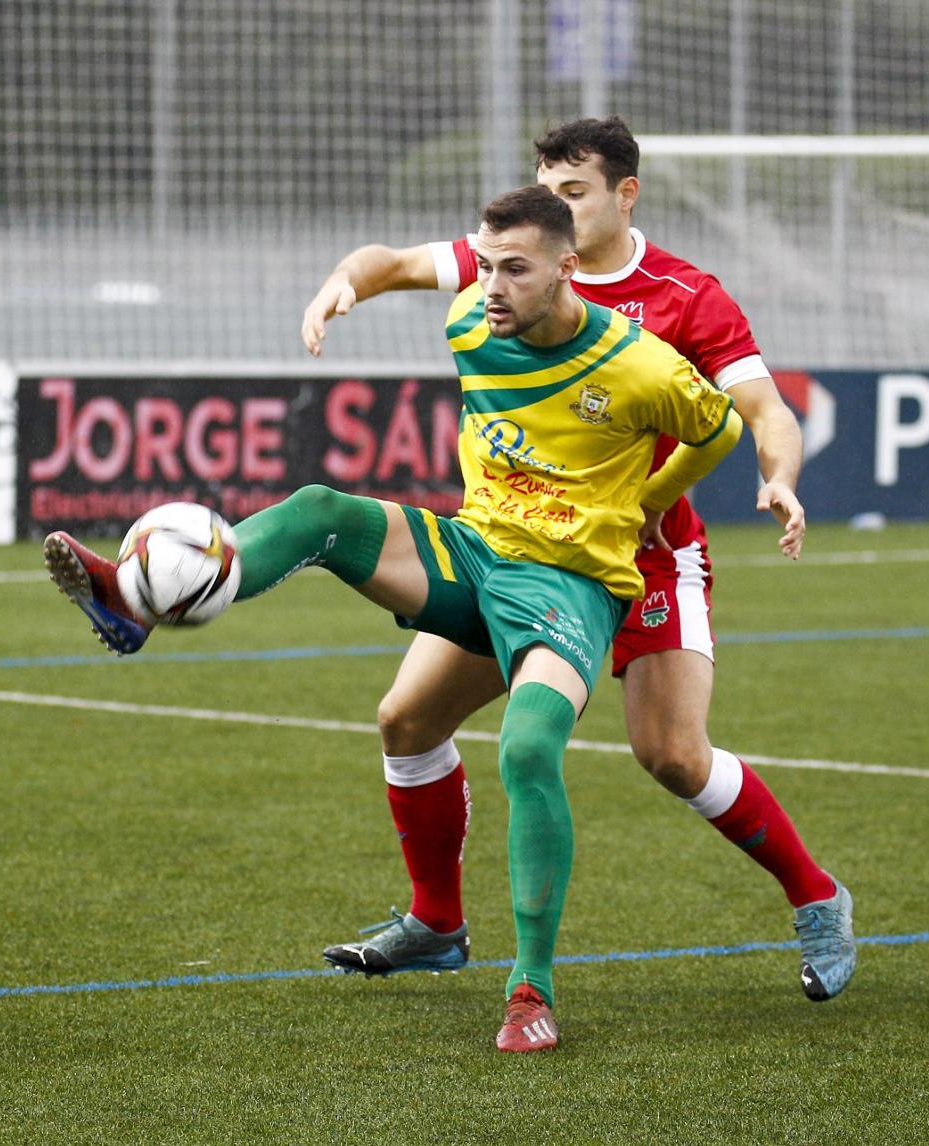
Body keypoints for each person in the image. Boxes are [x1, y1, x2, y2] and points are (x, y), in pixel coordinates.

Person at [44, 185, 744, 1052]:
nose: (490, 287)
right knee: (316, 511)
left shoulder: (638, 365)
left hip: (568, 584)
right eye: (485, 266)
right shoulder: (468, 323)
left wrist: (651, 498)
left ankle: (532, 990)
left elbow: (719, 428)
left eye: (514, 271)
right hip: (474, 553)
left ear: (570, 270)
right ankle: (143, 597)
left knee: (527, 748)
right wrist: (344, 283)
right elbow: (394, 264)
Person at [302, 116, 856, 1003]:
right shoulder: (512, 265)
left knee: (672, 755)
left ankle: (818, 897)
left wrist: (779, 477)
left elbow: (762, 410)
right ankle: (438, 923)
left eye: (573, 192)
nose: (552, 206)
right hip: (527, 557)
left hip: (650, 558)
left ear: (623, 194)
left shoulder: (684, 296)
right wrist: (340, 286)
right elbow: (390, 262)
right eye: (545, 187)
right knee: (406, 721)